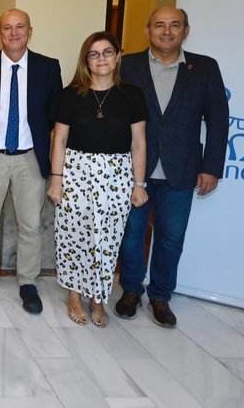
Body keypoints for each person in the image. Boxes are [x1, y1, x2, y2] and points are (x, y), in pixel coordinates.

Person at [115, 7, 228, 327]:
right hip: (134, 169)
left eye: (174, 25)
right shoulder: (128, 65)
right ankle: (132, 290)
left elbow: (218, 120)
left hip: (182, 169)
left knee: (171, 236)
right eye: (159, 25)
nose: (167, 31)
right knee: (131, 234)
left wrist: (212, 167)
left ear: (186, 30)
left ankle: (161, 296)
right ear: (147, 30)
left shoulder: (204, 68)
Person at [47, 31, 148, 327]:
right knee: (73, 235)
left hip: (117, 175)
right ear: (86, 61)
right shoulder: (69, 95)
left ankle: (98, 297)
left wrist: (139, 185)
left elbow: (139, 143)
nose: (101, 59)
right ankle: (75, 295)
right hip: (76, 171)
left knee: (107, 238)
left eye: (107, 52)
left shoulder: (132, 95)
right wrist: (56, 178)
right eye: (94, 54)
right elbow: (59, 141)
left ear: (117, 56)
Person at [0, 9, 62, 313]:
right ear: (0, 34)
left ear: (30, 31)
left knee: (30, 225)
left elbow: (53, 112)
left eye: (20, 27)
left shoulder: (48, 68)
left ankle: (28, 283)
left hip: (29, 159)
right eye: (7, 27)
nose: (14, 32)